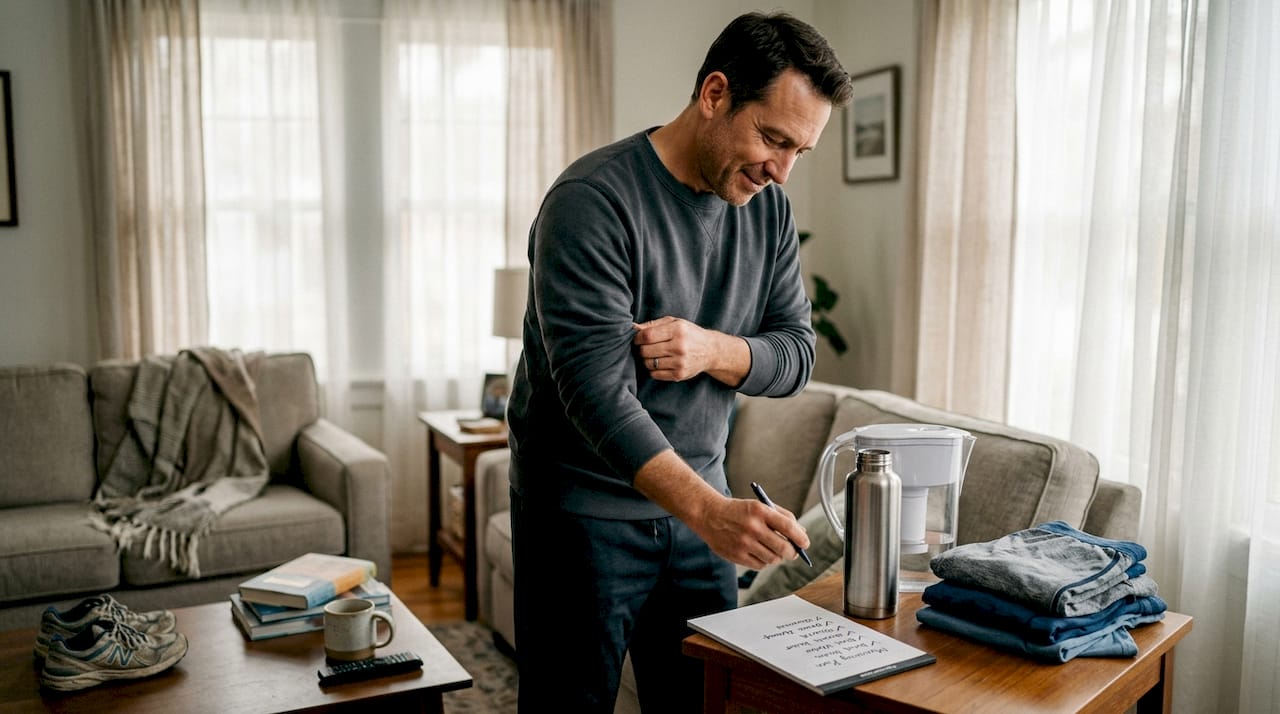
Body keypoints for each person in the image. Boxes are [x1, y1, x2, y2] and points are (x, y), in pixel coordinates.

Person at [504, 11, 853, 713]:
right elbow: (594, 393)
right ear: (715, 94)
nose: (780, 170)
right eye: (773, 139)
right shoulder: (591, 202)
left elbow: (796, 355)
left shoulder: (768, 210)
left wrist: (713, 348)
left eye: (799, 152)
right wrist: (710, 511)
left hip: (701, 514)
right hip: (581, 517)